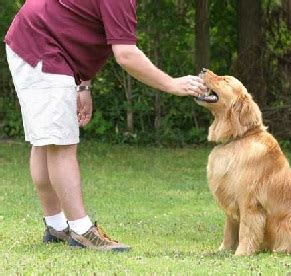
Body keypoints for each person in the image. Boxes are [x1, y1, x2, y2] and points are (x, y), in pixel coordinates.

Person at [4, 0, 206, 252]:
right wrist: (171, 84)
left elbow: (80, 25)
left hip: (36, 40)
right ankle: (81, 230)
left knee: (46, 141)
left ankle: (57, 227)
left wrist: (83, 85)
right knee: (58, 143)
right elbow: (126, 54)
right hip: (40, 44)